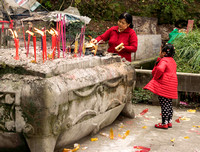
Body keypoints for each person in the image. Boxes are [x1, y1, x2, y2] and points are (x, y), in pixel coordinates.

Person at [143, 43, 178, 129]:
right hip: (172, 85)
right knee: (169, 104)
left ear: (164, 52)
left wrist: (156, 77)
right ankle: (169, 122)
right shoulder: (172, 61)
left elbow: (159, 69)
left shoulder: (164, 60)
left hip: (164, 85)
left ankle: (164, 123)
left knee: (164, 104)